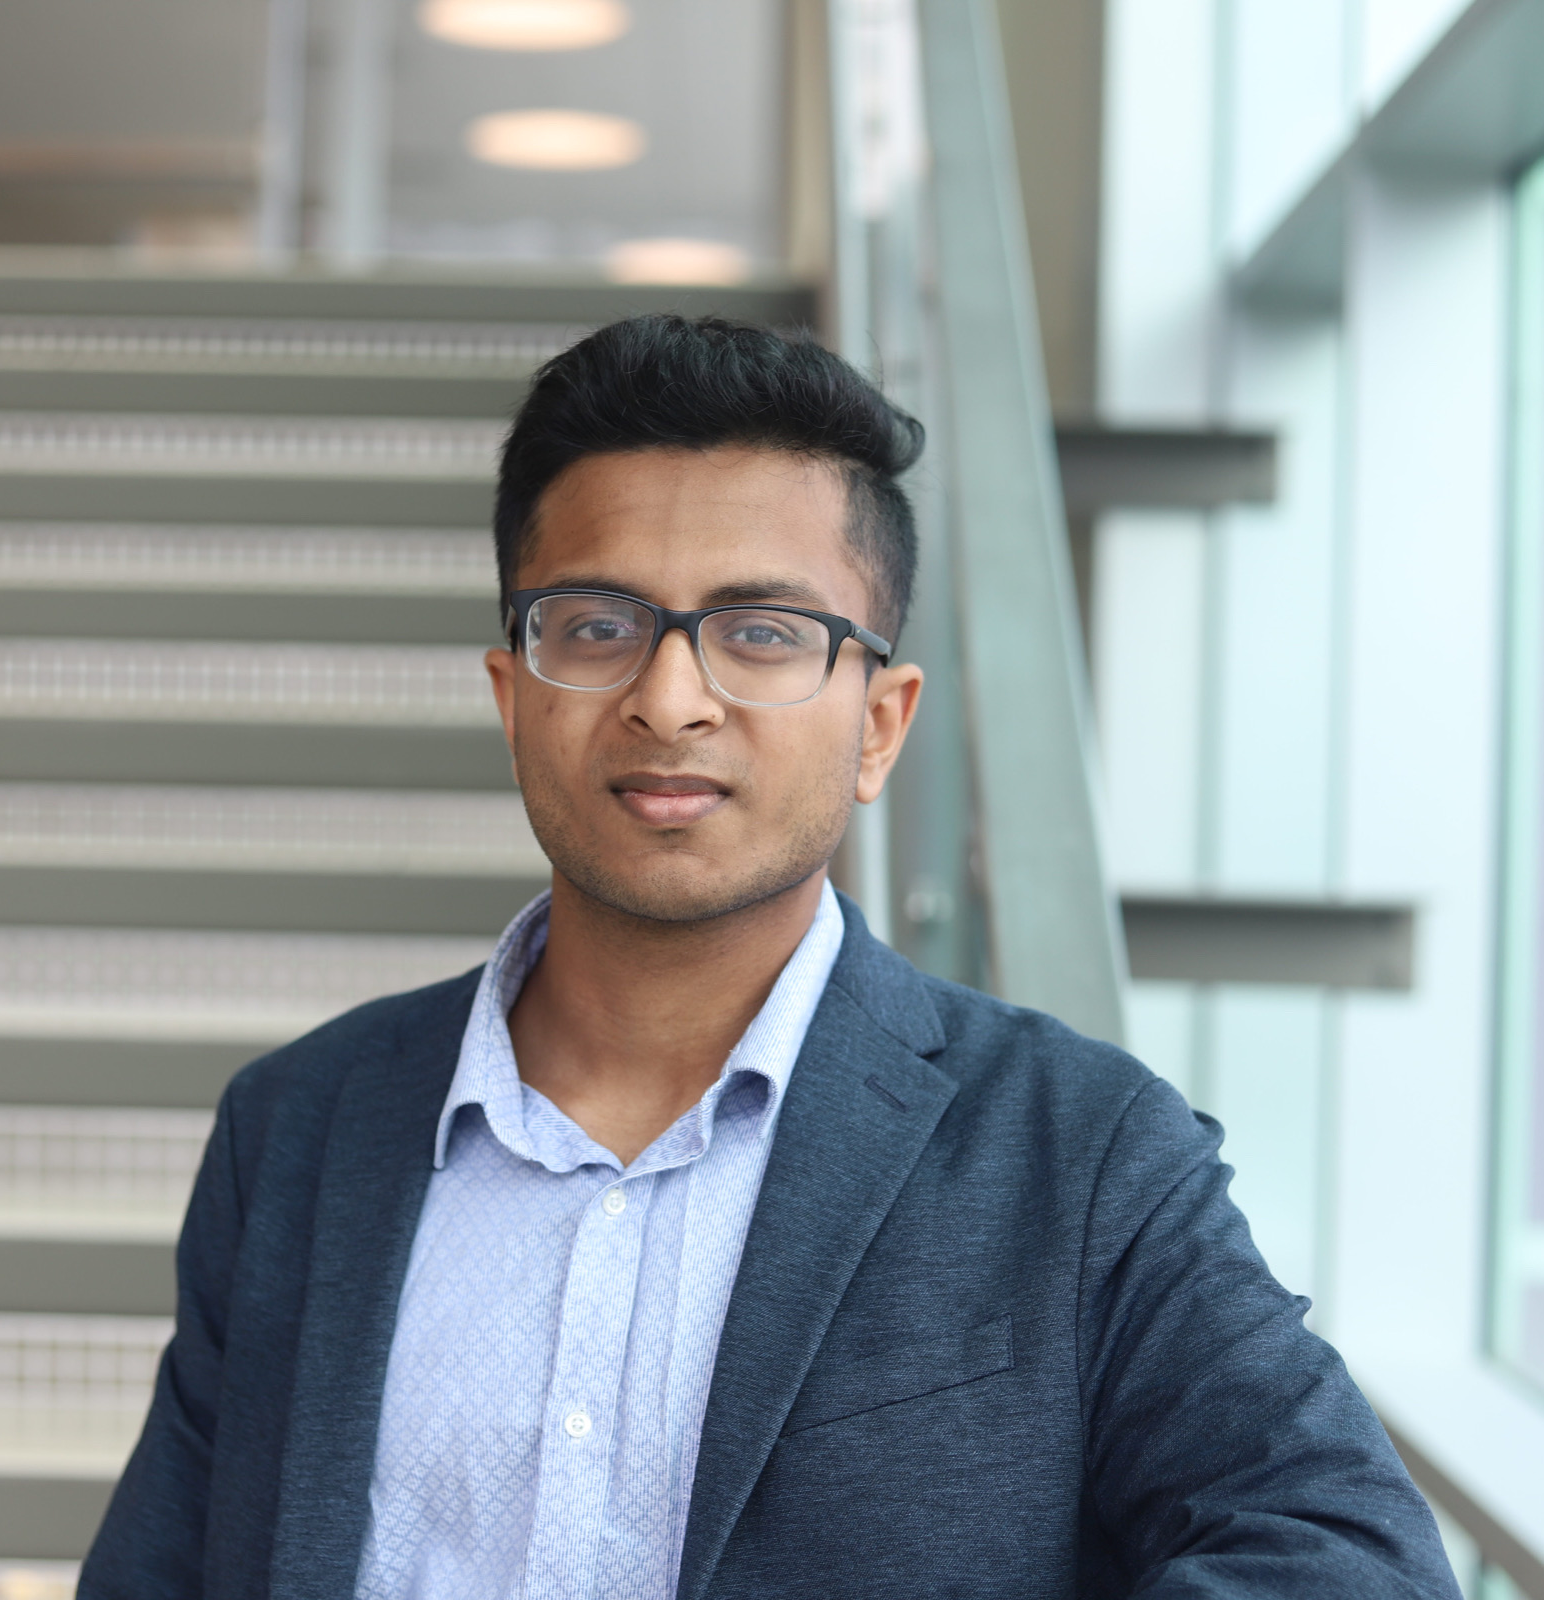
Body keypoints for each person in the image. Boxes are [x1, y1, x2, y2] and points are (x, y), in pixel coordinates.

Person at [80, 315, 1460, 1599]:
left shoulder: (1079, 1152)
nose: (670, 699)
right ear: (512, 696)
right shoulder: (300, 1129)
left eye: (761, 634)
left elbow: (1348, 1560)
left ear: (879, 725)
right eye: (598, 627)